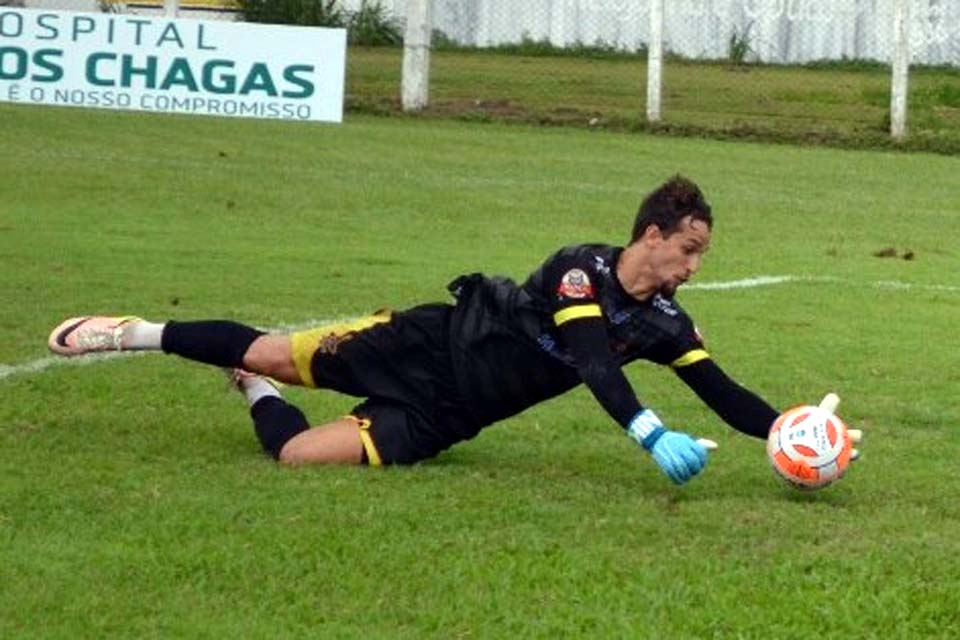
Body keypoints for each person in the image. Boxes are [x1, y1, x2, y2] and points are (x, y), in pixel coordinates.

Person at [48, 175, 782, 485]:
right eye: (689, 250)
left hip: (451, 414)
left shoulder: (663, 323)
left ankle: (252, 391)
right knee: (270, 347)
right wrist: (653, 435)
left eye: (700, 256)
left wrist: (792, 432)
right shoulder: (578, 269)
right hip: (427, 344)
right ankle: (134, 332)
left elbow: (723, 394)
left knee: (299, 457)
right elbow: (593, 361)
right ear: (651, 234)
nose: (692, 267)